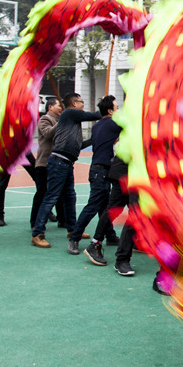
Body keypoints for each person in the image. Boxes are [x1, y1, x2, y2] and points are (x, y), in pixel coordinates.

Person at [31, 93, 101, 249]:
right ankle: (37, 233)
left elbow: (78, 145)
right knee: (51, 196)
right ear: (74, 103)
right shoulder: (70, 113)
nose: (83, 104)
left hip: (67, 163)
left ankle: (72, 229)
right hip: (58, 162)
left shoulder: (73, 121)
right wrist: (105, 110)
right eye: (81, 101)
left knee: (70, 196)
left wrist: (94, 139)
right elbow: (94, 115)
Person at [68, 96, 121, 256]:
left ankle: (110, 236)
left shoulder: (98, 126)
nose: (119, 111)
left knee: (105, 207)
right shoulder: (114, 124)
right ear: (110, 111)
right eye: (117, 108)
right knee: (94, 205)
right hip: (102, 171)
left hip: (98, 170)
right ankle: (74, 238)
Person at [31, 98, 67, 230]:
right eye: (59, 106)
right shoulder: (45, 119)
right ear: (50, 107)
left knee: (61, 192)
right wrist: (63, 120)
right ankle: (34, 221)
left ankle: (63, 220)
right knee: (42, 193)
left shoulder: (60, 121)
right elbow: (48, 134)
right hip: (44, 163)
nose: (61, 108)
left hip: (59, 163)